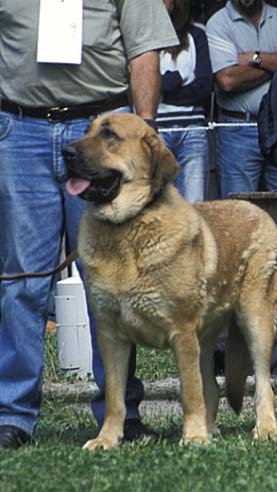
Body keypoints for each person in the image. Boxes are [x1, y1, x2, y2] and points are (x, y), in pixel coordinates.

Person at [0, 1, 178, 449]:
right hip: (20, 129)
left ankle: (121, 414)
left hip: (102, 131)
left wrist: (143, 132)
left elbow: (144, 50)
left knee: (115, 281)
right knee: (22, 279)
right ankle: (13, 415)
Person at [205, 0, 277, 269]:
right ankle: (241, 292)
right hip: (238, 129)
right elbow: (227, 80)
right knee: (239, 218)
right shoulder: (218, 23)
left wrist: (254, 58)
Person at [158, 0, 213, 203]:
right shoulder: (142, 37)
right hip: (157, 130)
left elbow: (205, 87)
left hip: (192, 130)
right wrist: (177, 82)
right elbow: (136, 82)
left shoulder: (196, 35)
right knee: (160, 204)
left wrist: (164, 89)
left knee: (195, 204)